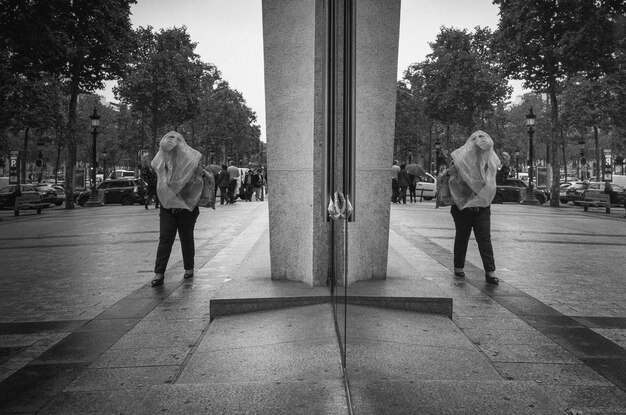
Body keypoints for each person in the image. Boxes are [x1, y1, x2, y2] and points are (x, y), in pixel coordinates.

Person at [150, 131, 207, 287]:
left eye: (171, 150)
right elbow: (157, 175)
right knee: (165, 239)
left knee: (186, 238)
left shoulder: (191, 161)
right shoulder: (163, 162)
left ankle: (189, 268)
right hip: (167, 206)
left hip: (186, 207)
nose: (168, 153)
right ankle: (159, 273)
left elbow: (200, 178)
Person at [446, 130, 501, 285]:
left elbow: (493, 180)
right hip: (463, 205)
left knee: (484, 238)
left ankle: (490, 272)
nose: (484, 152)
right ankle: (458, 267)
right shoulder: (460, 160)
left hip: (482, 206)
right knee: (462, 236)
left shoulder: (489, 161)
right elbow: (449, 176)